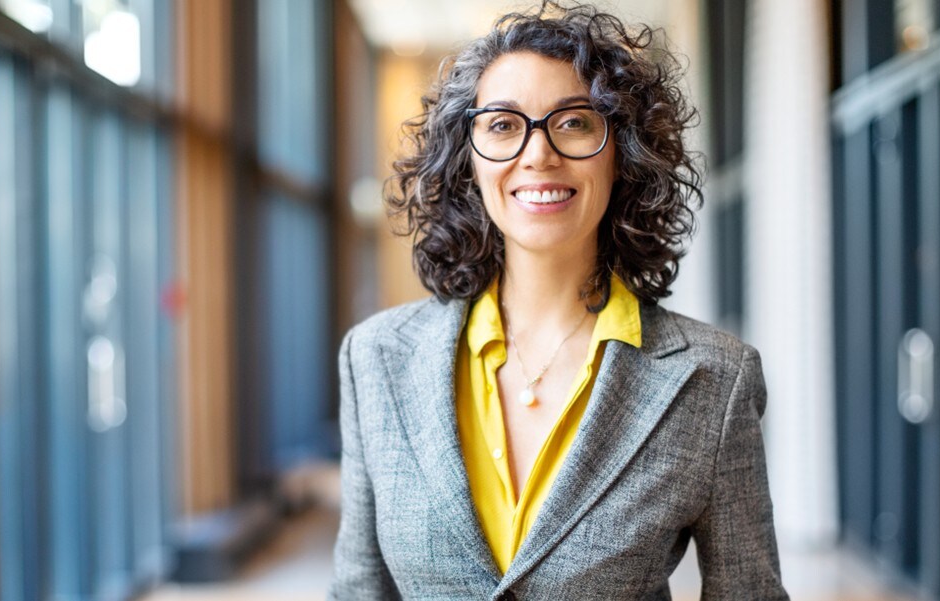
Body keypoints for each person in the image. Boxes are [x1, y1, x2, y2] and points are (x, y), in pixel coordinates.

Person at [329, 2, 787, 599]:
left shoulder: (714, 380)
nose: (538, 154)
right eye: (502, 125)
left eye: (573, 122)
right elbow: (358, 590)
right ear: (467, 159)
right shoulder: (376, 359)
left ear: (622, 151)